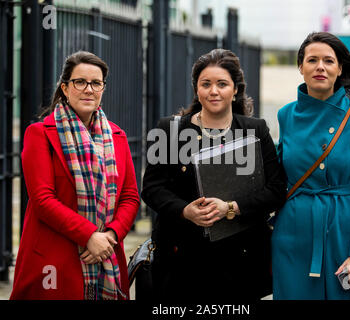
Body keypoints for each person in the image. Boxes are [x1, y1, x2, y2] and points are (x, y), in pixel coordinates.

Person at [141, 48, 287, 301]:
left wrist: (231, 207)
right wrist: (185, 210)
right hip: (180, 259)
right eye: (205, 84)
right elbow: (152, 188)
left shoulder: (256, 130)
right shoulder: (168, 129)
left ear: (236, 90)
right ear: (197, 89)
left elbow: (276, 189)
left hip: (240, 260)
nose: (213, 91)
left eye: (222, 84)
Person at [10, 51, 140, 300]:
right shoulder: (39, 134)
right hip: (55, 260)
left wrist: (108, 238)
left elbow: (130, 197)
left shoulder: (117, 136)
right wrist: (89, 236)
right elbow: (42, 199)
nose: (88, 89)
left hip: (106, 256)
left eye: (96, 83)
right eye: (80, 82)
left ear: (103, 88)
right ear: (65, 88)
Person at [271, 32, 350, 300]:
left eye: (328, 61)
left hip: (343, 234)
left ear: (339, 68)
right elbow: (275, 176)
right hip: (292, 237)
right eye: (312, 60)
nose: (320, 66)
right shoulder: (286, 115)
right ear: (301, 67)